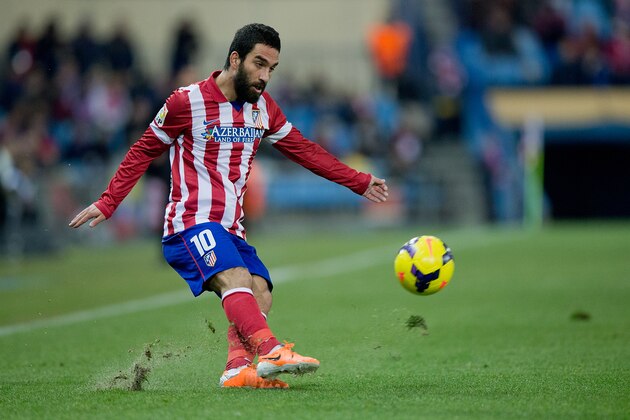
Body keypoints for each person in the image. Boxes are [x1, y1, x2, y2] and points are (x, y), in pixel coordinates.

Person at [69, 23, 389, 389]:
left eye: (272, 68)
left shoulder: (263, 108)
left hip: (230, 229)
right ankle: (270, 350)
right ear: (235, 59)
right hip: (189, 224)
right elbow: (144, 149)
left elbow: (305, 151)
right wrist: (109, 202)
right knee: (237, 278)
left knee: (260, 291)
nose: (265, 76)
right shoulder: (185, 102)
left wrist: (359, 181)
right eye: (259, 64)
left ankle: (237, 367)